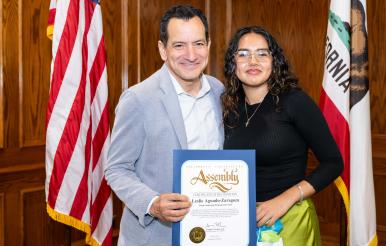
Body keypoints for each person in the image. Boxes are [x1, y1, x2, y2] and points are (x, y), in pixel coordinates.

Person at [105, 5, 223, 245]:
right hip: (155, 236)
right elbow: (116, 168)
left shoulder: (220, 92)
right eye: (179, 45)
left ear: (208, 46)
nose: (191, 55)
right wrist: (152, 204)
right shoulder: (138, 99)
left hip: (213, 230)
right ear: (162, 49)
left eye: (199, 44)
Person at [222, 26, 343, 245]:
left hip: (290, 218)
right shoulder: (230, 108)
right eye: (243, 54)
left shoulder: (294, 101)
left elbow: (333, 163)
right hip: (241, 222)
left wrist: (284, 200)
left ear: (274, 61)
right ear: (233, 63)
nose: (253, 61)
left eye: (262, 53)